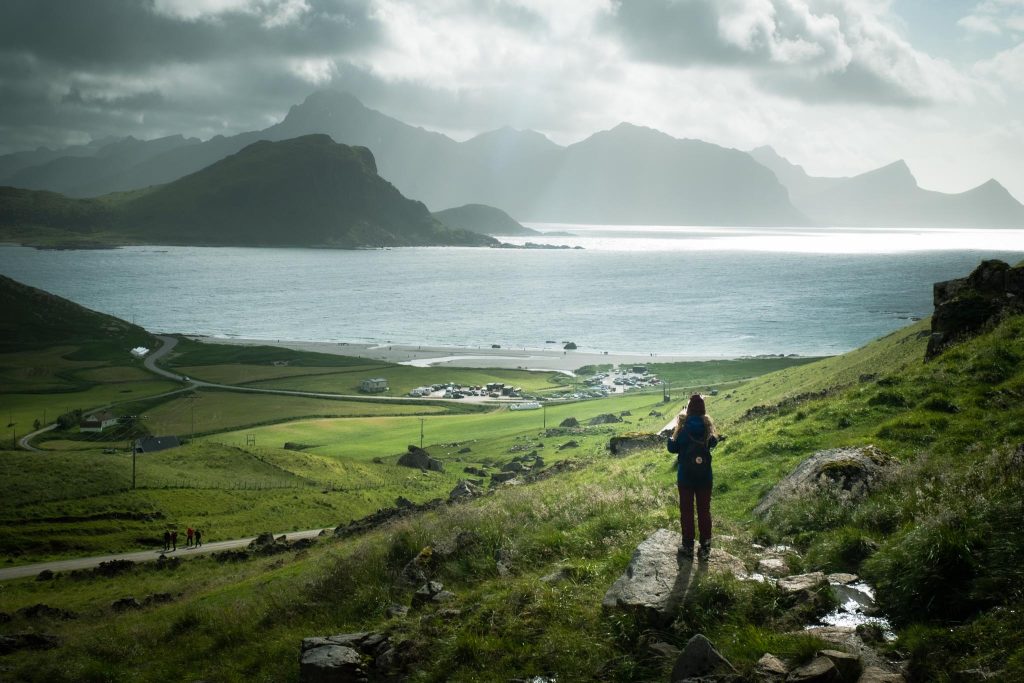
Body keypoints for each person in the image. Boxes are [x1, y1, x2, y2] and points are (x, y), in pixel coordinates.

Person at [667, 394, 723, 560]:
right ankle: (705, 548)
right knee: (704, 511)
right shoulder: (707, 428)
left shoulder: (683, 429)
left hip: (685, 477)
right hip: (705, 477)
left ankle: (688, 546)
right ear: (703, 410)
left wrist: (671, 437)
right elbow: (714, 442)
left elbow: (673, 448)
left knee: (687, 511)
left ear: (689, 409)